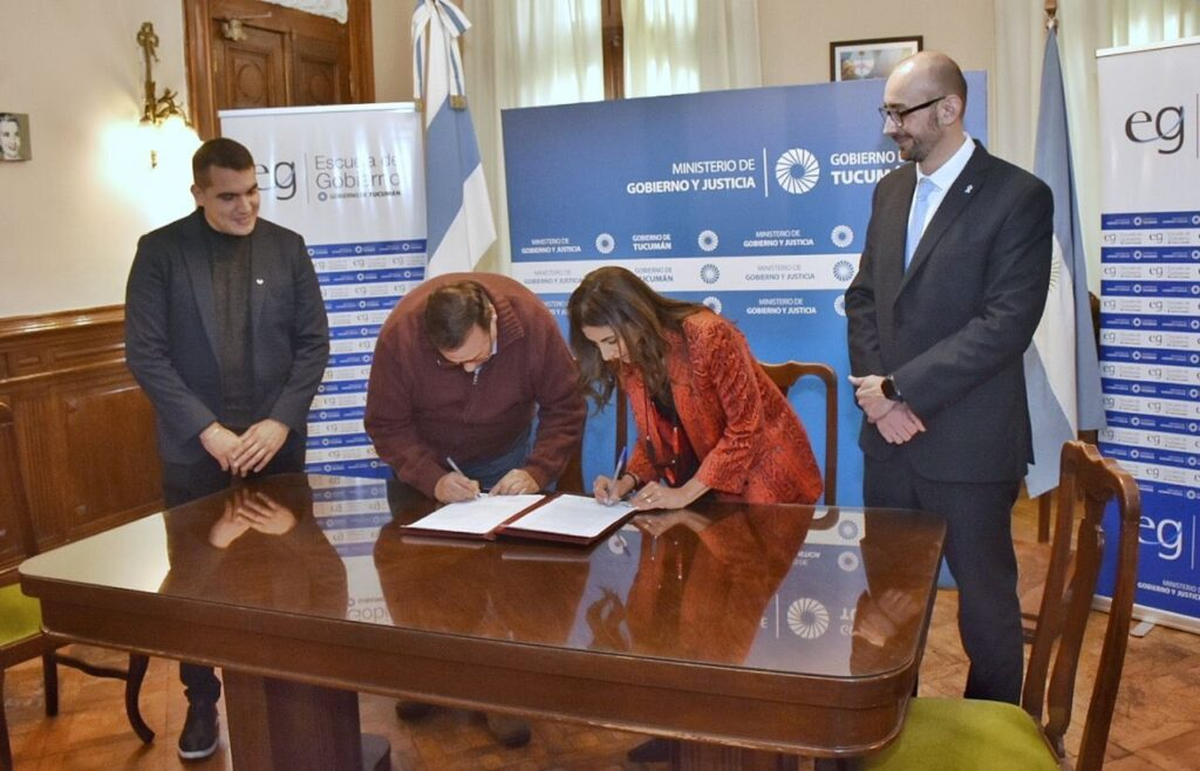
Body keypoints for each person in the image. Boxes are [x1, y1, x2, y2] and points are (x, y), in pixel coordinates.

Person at [844, 51, 1053, 705]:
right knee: (888, 604)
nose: (889, 129)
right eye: (885, 113)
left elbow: (1004, 325)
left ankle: (996, 731)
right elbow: (863, 300)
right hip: (889, 446)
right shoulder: (890, 192)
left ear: (949, 109)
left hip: (969, 450)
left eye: (899, 114)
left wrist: (900, 390)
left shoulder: (1019, 197)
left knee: (987, 614)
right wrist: (879, 401)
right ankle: (886, 724)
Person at [125, 137, 329, 760]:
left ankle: (288, 691)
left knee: (286, 571)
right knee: (197, 581)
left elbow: (313, 345)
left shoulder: (287, 246)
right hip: (198, 454)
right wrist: (208, 430)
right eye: (229, 197)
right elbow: (146, 354)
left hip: (274, 452)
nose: (246, 207)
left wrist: (280, 422)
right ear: (199, 194)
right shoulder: (160, 252)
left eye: (253, 192)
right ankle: (200, 700)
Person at [364, 272, 586, 746]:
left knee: (505, 581)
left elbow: (565, 406)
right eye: (454, 363)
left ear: (491, 319)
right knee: (418, 578)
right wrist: (432, 478)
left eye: (478, 358)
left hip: (505, 456)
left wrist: (537, 470)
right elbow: (386, 424)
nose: (468, 370)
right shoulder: (401, 335)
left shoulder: (530, 322)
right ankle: (427, 682)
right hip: (423, 462)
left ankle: (500, 694)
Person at [568, 266, 823, 512]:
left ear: (636, 317)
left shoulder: (708, 335)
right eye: (597, 344)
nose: (607, 354)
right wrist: (627, 481)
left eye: (611, 340)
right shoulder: (630, 357)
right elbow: (655, 436)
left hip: (764, 489)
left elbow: (746, 428)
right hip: (700, 496)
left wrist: (684, 494)